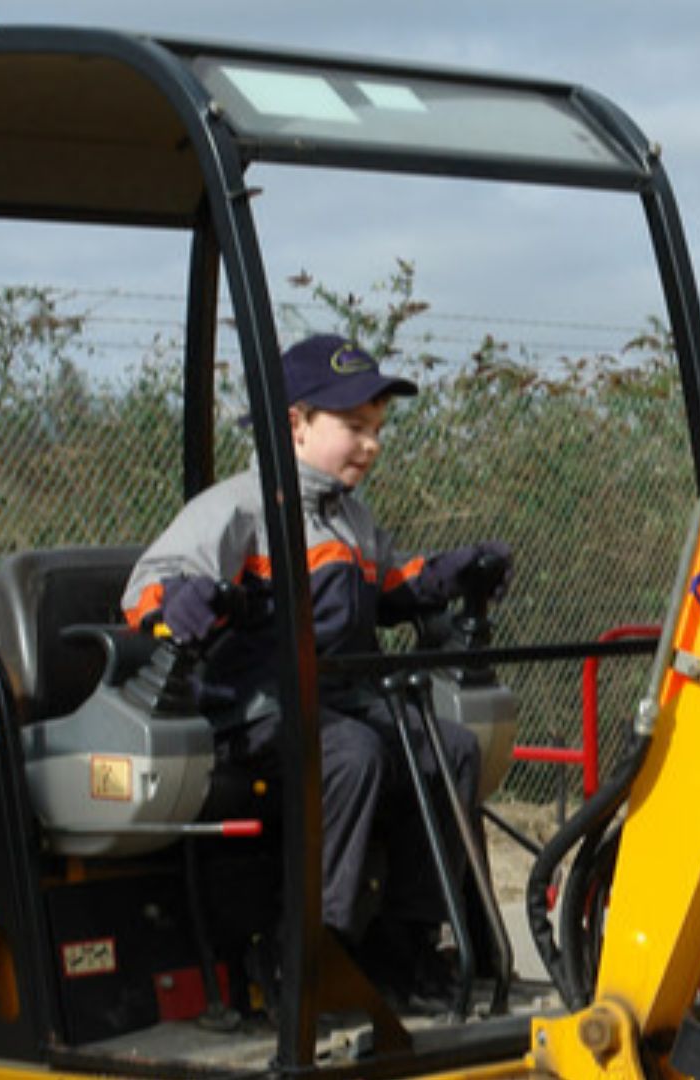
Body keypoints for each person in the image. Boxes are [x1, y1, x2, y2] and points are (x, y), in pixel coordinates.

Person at [120, 332, 510, 1008]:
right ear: (295, 423)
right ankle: (309, 947)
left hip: (339, 699)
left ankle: (405, 945)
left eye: (378, 429)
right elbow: (146, 589)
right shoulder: (237, 508)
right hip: (252, 709)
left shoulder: (350, 517)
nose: (372, 444)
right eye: (355, 427)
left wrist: (449, 573)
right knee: (354, 754)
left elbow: (390, 584)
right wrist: (179, 601)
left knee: (448, 749)